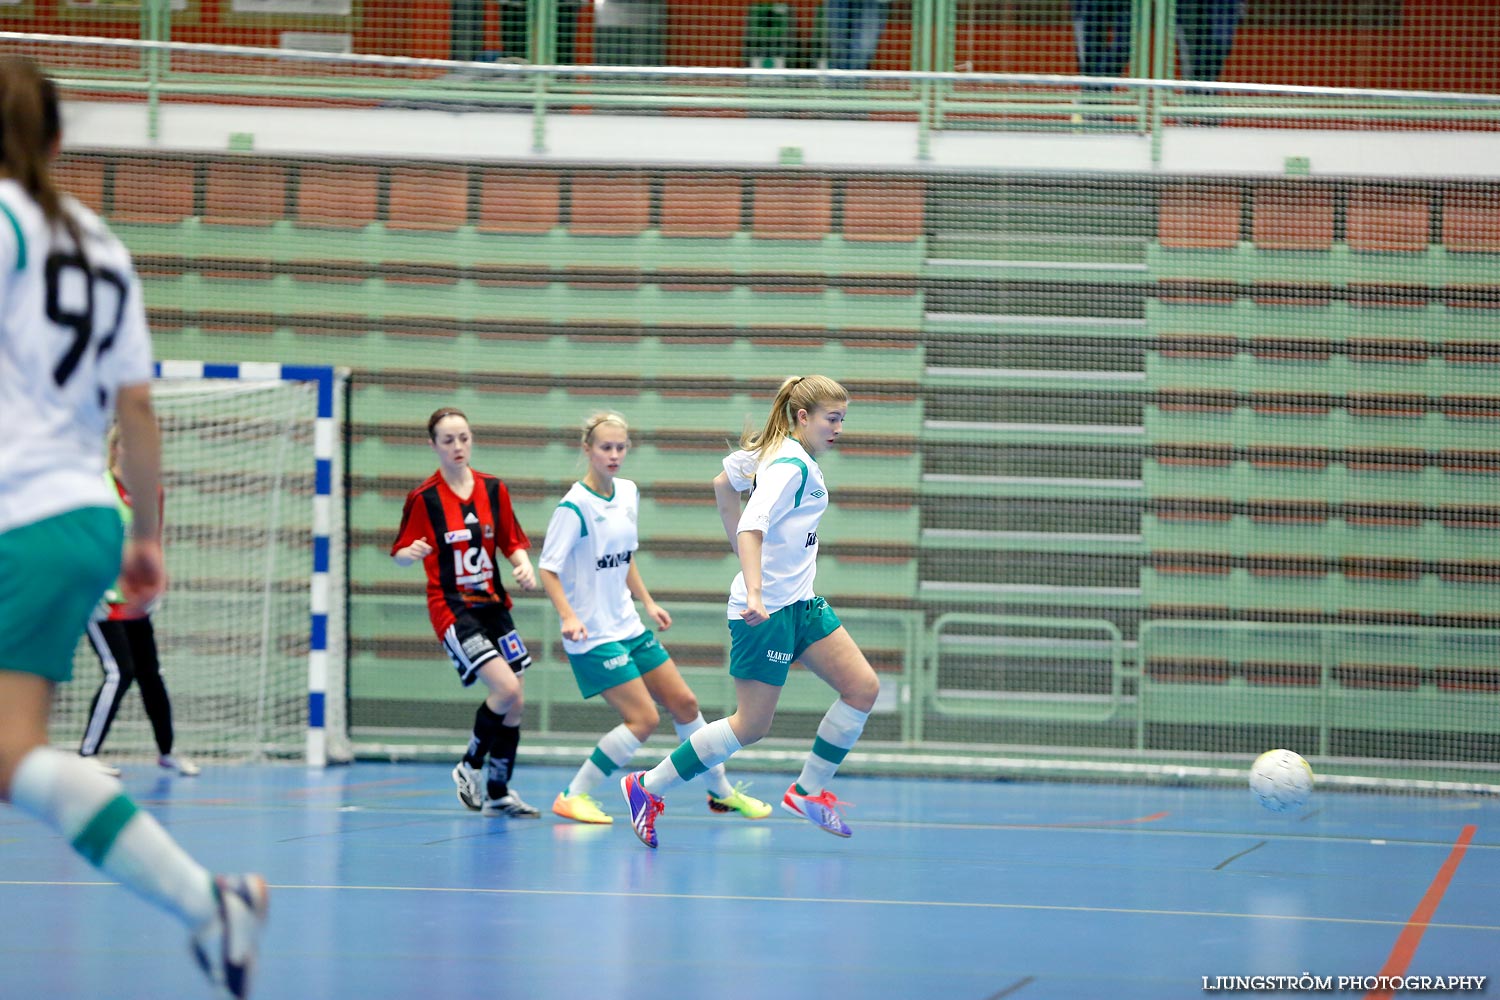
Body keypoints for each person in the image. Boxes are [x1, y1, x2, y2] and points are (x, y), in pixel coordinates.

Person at [0, 56, 266, 998]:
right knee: (14, 752)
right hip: (84, 518)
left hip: (16, 517)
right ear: (59, 143)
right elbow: (139, 411)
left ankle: (206, 901)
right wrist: (145, 538)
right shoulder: (105, 246)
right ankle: (209, 901)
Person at [620, 376, 879, 848]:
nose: (839, 428)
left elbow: (723, 485)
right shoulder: (788, 467)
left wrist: (751, 564)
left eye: (842, 419)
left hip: (801, 604)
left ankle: (808, 792)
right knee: (750, 726)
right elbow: (752, 526)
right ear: (803, 417)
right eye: (832, 419)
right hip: (765, 613)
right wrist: (754, 588)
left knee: (862, 688)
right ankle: (646, 787)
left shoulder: (778, 452)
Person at [538, 411, 771, 825]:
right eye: (605, 448)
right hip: (592, 635)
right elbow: (548, 568)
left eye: (620, 447)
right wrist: (568, 616)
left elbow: (623, 558)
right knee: (643, 718)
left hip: (627, 624)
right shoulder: (574, 508)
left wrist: (647, 602)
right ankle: (572, 795)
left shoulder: (628, 493)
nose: (613, 455)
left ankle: (721, 794)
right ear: (587, 450)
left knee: (684, 703)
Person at [391, 407, 542, 818]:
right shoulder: (424, 499)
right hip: (453, 608)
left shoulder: (493, 489)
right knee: (505, 689)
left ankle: (498, 791)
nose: (458, 447)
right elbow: (400, 553)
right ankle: (469, 765)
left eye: (464, 438)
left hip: (494, 605)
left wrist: (521, 563)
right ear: (433, 445)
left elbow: (511, 539)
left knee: (516, 702)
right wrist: (410, 553)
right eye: (448, 440)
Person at [78, 425, 199, 779]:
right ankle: (87, 754)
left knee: (151, 675)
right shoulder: (98, 489)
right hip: (99, 599)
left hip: (133, 602)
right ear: (117, 449)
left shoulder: (151, 493)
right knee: (120, 671)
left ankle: (167, 751)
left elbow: (150, 544)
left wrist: (153, 587)